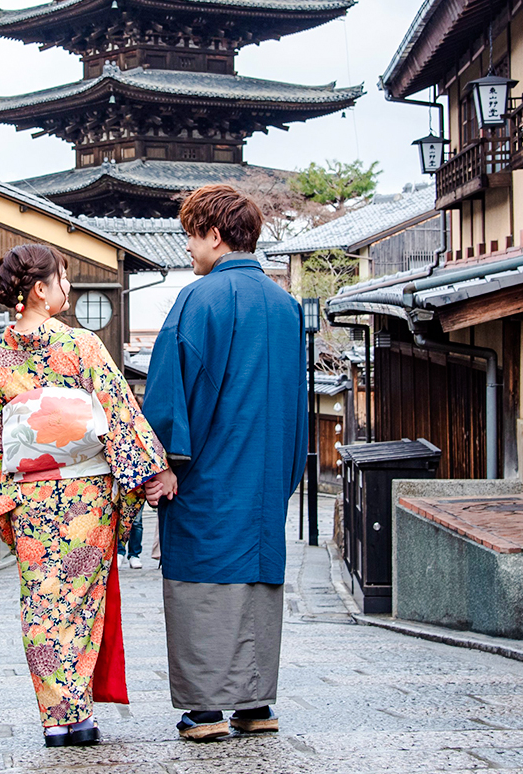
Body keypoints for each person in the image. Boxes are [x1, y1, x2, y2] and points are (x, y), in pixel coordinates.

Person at [0, 244, 169, 748]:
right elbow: (118, 413)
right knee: (78, 598)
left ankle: (56, 718)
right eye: (63, 279)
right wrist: (150, 471)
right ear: (40, 290)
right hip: (85, 497)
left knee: (40, 604)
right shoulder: (82, 347)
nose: (68, 289)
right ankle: (79, 716)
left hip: (31, 499)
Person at [142, 185, 307, 742]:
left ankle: (206, 710)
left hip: (207, 474)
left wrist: (162, 463)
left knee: (202, 581)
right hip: (262, 477)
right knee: (257, 581)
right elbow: (295, 402)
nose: (189, 249)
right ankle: (256, 704)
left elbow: (171, 391)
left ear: (214, 235)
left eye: (192, 235)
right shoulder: (287, 307)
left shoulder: (200, 299)